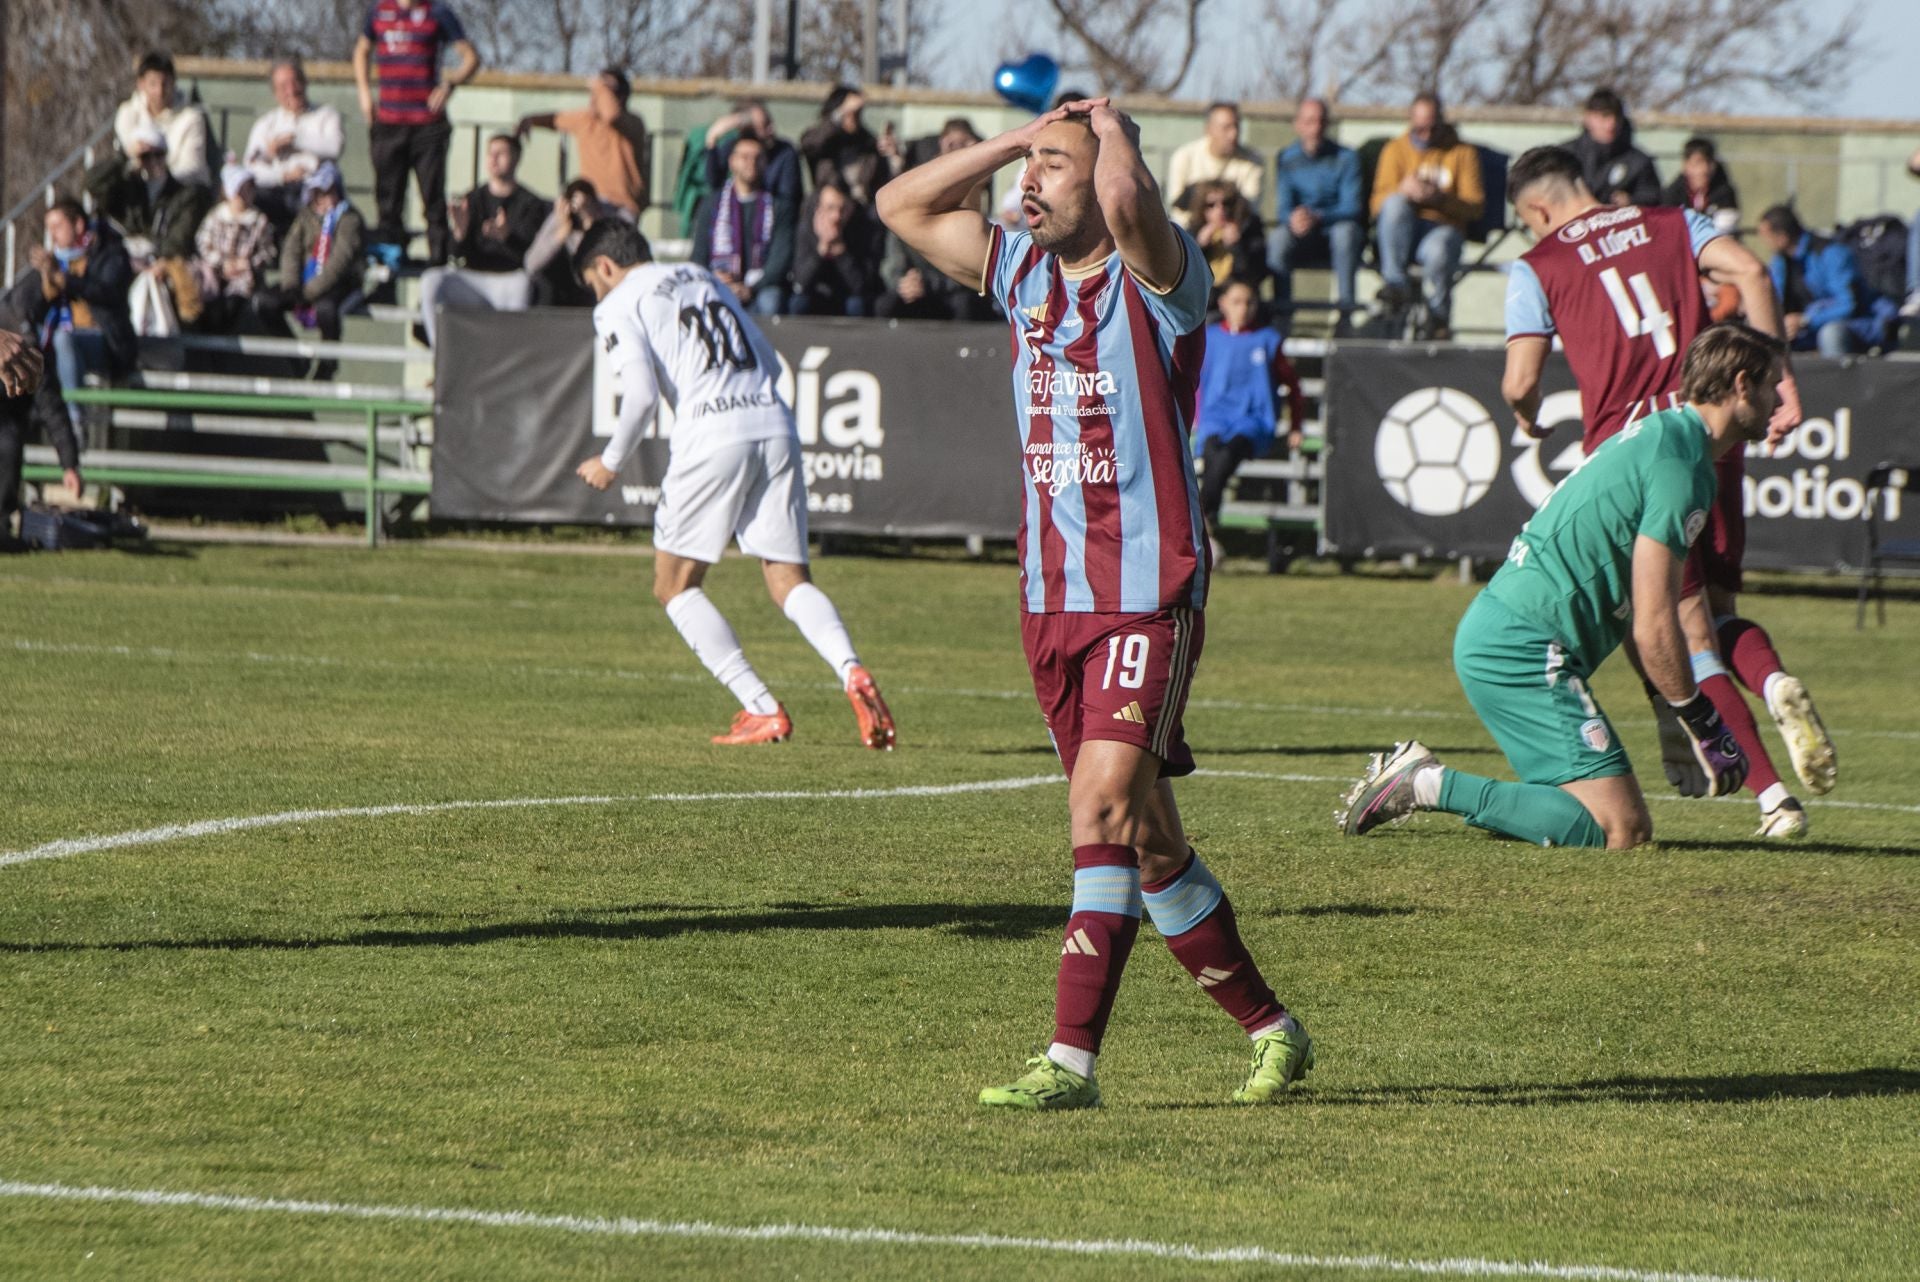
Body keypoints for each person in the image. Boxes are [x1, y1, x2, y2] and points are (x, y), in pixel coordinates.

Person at [877, 99, 1314, 1110]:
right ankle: (1276, 1030)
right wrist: (1018, 141)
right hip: (1049, 602)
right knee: (1149, 840)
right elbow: (901, 204)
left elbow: (1123, 195)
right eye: (1026, 171)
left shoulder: (1158, 281)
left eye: (1052, 170)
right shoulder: (1018, 271)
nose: (1030, 184)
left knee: (1101, 805)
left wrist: (1106, 132)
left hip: (1145, 594)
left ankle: (1070, 1062)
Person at [1341, 327, 1794, 849]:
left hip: (1511, 636)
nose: (1777, 400)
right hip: (1524, 646)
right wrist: (1701, 719)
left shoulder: (1667, 438)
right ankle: (1423, 783)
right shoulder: (1680, 466)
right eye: (1772, 386)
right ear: (1741, 384)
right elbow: (1654, 622)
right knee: (1620, 829)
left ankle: (1453, 790)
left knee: (1597, 816)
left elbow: (1633, 605)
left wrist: (1667, 715)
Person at [1501, 146, 1831, 838]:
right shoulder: (1672, 221)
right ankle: (1771, 681)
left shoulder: (1538, 264)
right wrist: (1782, 375)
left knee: (1680, 628)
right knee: (1717, 611)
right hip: (1712, 433)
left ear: (1535, 209)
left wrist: (1525, 410)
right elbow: (1750, 270)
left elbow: (1520, 377)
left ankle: (1772, 798)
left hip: (1637, 456)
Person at [569, 219, 897, 752]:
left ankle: (761, 707)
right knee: (788, 579)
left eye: (593, 283)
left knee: (673, 585)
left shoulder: (618, 302)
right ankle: (850, 669)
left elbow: (642, 396)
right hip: (772, 419)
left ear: (605, 267)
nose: (597, 294)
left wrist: (611, 461)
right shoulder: (699, 273)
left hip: (711, 430)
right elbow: (767, 357)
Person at [353, 0, 481, 265]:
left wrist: (449, 84)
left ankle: (438, 263)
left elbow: (471, 58)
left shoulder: (437, 11)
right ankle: (389, 266)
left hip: (428, 125)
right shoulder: (379, 11)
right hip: (388, 122)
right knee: (388, 201)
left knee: (433, 200)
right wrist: (365, 93)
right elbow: (362, 51)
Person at [1194, 278, 1303, 554]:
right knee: (1212, 452)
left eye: (1249, 302)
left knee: (1229, 452)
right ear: (1223, 304)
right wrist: (1195, 416)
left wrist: (1296, 425)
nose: (1243, 308)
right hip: (1215, 418)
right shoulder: (1210, 337)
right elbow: (1193, 379)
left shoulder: (1267, 340)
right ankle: (1206, 521)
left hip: (1253, 420)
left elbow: (1293, 385)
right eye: (1237, 302)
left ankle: (1199, 517)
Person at [417, 134, 547, 346]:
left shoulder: (530, 204)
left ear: (516, 158)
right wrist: (459, 233)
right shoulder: (473, 199)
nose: (494, 159)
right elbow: (456, 255)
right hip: (473, 280)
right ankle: (440, 357)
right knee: (431, 280)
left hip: (509, 280)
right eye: (490, 153)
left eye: (501, 153)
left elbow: (532, 255)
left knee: (523, 285)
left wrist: (507, 236)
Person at [1370, 92, 1483, 338]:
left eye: (1433, 128)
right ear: (1411, 121)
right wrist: (1403, 191)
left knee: (1440, 250)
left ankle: (1438, 319)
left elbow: (1475, 206)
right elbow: (1377, 205)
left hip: (1441, 228)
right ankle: (1395, 287)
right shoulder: (1394, 150)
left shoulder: (1462, 153)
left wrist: (1439, 198)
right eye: (1420, 128)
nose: (1427, 135)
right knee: (1395, 203)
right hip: (1403, 234)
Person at [85, 127, 213, 328]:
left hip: (160, 260)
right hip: (124, 257)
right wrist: (123, 157)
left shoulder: (185, 194)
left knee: (154, 281)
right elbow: (92, 183)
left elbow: (179, 238)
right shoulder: (126, 189)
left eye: (158, 155)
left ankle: (155, 341)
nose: (152, 162)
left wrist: (158, 260)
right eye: (146, 156)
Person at [27, 199, 135, 430]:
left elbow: (107, 292)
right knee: (25, 339)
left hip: (107, 340)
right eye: (49, 229)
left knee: (63, 339)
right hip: (67, 338)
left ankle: (73, 421)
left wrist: (66, 280)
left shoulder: (110, 251)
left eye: (58, 227)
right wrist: (47, 280)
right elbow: (37, 309)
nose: (53, 236)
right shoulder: (56, 262)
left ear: (77, 225)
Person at [1269, 97, 1363, 333]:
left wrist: (1317, 216)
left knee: (1347, 233)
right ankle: (1283, 315)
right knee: (1278, 239)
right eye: (1309, 122)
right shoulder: (1287, 159)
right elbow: (1283, 209)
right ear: (1298, 125)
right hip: (1302, 234)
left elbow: (1352, 207)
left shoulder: (1347, 158)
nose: (1316, 128)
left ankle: (1345, 313)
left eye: (1321, 121)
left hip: (1335, 230)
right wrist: (1295, 219)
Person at [1757, 205, 1899, 358]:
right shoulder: (1781, 261)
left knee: (1831, 333)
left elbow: (1849, 304)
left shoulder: (1832, 253)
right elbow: (1776, 298)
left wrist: (1806, 320)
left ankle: (1837, 381)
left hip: (1860, 322)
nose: (1764, 243)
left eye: (1766, 237)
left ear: (1782, 237)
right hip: (1808, 328)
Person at [256, 163, 367, 353]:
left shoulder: (350, 219)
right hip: (303, 282)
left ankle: (327, 363)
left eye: (326, 192)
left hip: (339, 283)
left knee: (326, 310)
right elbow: (291, 250)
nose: (321, 199)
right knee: (265, 302)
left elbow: (339, 261)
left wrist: (309, 292)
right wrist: (291, 286)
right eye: (317, 193)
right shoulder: (306, 216)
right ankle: (294, 356)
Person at [515, 69, 649, 217]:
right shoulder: (585, 120)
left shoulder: (633, 122)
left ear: (621, 97)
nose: (596, 95)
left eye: (606, 90)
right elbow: (556, 119)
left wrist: (599, 85)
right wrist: (530, 120)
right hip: (592, 202)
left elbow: (611, 115)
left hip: (623, 206)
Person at [689, 134, 794, 316]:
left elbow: (780, 259)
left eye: (757, 157)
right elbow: (698, 256)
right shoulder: (711, 204)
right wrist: (715, 278)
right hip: (719, 283)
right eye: (744, 157)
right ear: (732, 161)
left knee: (771, 300)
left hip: (760, 288)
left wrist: (750, 288)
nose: (751, 162)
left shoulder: (778, 207)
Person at [0, 308, 82, 538]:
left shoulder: (30, 350)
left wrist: (69, 464)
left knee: (7, 442)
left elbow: (53, 409)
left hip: (8, 425)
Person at [242, 57, 346, 227]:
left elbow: (335, 147)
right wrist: (281, 173)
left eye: (295, 82)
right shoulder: (266, 124)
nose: (291, 90)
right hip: (277, 190)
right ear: (275, 93)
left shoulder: (326, 115)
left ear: (305, 83)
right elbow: (251, 166)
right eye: (283, 86)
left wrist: (296, 142)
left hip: (314, 191)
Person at [193, 166, 280, 333]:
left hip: (243, 277)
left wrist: (245, 264)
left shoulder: (259, 221)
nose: (245, 195)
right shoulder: (216, 216)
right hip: (214, 273)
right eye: (240, 190)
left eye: (249, 189)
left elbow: (269, 252)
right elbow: (203, 243)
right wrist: (222, 263)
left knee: (231, 305)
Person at [113, 51, 211, 189]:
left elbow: (191, 167)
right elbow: (130, 155)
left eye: (165, 83)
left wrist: (161, 180)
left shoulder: (192, 118)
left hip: (179, 190)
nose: (160, 91)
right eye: (153, 84)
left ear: (174, 82)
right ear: (141, 84)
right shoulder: (127, 112)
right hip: (138, 190)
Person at [524, 179, 623, 308]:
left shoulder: (609, 219)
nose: (580, 212)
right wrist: (562, 233)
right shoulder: (558, 220)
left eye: (587, 205)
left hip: (593, 300)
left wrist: (593, 228)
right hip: (557, 300)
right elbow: (531, 264)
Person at [799, 85, 898, 208]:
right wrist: (840, 114)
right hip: (827, 209)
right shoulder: (822, 138)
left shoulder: (869, 143)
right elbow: (808, 145)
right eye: (852, 113)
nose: (854, 117)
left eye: (858, 113)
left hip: (860, 212)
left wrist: (893, 157)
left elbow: (885, 182)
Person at [703, 99, 802, 220]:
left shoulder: (785, 152)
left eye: (770, 122)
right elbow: (714, 182)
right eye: (764, 125)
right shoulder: (734, 147)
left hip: (772, 219)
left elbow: (788, 198)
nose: (771, 129)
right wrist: (712, 139)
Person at [789, 186, 879, 316]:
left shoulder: (859, 229)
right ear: (818, 210)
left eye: (841, 210)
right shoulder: (806, 229)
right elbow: (800, 282)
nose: (836, 216)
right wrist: (821, 250)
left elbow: (862, 286)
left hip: (846, 294)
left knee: (857, 305)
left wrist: (841, 253)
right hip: (816, 293)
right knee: (798, 303)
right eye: (830, 208)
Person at [1565, 88, 1660, 208]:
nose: (1611, 124)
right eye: (1604, 116)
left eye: (1616, 117)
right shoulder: (1566, 156)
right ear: (1588, 117)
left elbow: (1655, 200)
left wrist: (1632, 201)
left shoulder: (1639, 162)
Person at [1164, 101, 1264, 214]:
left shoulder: (1252, 160)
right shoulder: (1184, 157)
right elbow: (1177, 210)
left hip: (1237, 228)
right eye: (1226, 127)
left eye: (1236, 126)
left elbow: (1251, 207)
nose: (1233, 134)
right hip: (1190, 228)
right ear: (1209, 129)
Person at [1185, 180, 1266, 300]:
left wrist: (1236, 246)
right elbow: (1187, 276)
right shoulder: (1192, 232)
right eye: (1211, 205)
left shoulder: (1250, 229)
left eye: (1226, 203)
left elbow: (1254, 275)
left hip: (1238, 302)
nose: (1220, 209)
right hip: (1205, 301)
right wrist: (1201, 247)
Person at [1659, 137, 1739, 231]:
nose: (1704, 170)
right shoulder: (1673, 194)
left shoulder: (1725, 193)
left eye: (1708, 163)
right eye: (1697, 163)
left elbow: (1723, 230)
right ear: (1685, 165)